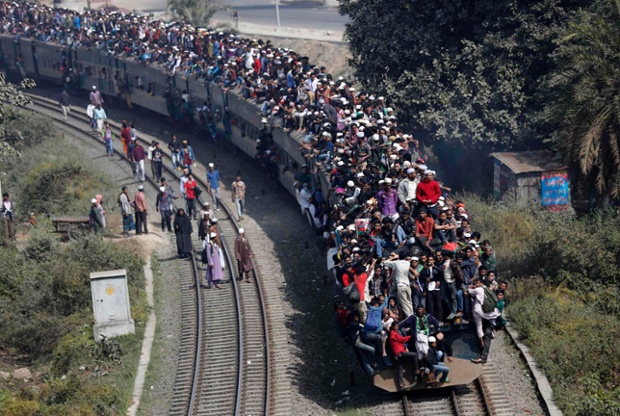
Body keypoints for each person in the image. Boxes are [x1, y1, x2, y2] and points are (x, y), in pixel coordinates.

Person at [467, 278, 500, 348]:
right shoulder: (486, 289)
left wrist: (469, 287)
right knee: (491, 319)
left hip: (477, 310)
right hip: (486, 310)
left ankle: (481, 342)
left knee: (479, 326)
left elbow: (469, 292)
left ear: (481, 283)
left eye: (478, 283)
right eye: (476, 283)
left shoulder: (477, 290)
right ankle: (492, 333)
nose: (476, 284)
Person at [388, 322, 419, 389]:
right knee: (415, 355)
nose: (397, 328)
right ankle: (417, 370)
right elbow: (402, 339)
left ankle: (401, 383)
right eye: (396, 326)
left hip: (398, 353)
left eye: (397, 326)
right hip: (400, 352)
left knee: (400, 367)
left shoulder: (392, 333)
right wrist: (411, 336)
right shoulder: (394, 334)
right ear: (393, 327)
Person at [384, 252, 414, 318]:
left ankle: (410, 317)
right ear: (405, 257)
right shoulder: (407, 263)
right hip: (407, 286)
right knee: (409, 302)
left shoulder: (396, 263)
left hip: (400, 285)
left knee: (404, 303)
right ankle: (412, 315)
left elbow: (385, 262)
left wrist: (394, 257)